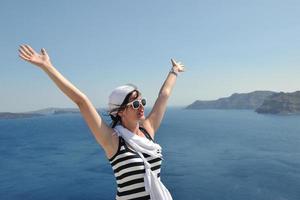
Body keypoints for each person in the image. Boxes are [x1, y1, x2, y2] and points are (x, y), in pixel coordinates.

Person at [18, 44, 185, 200]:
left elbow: (164, 94)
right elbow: (81, 101)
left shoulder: (148, 130)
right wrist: (47, 66)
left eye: (142, 102)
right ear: (120, 111)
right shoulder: (113, 140)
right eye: (134, 104)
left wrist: (174, 70)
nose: (141, 106)